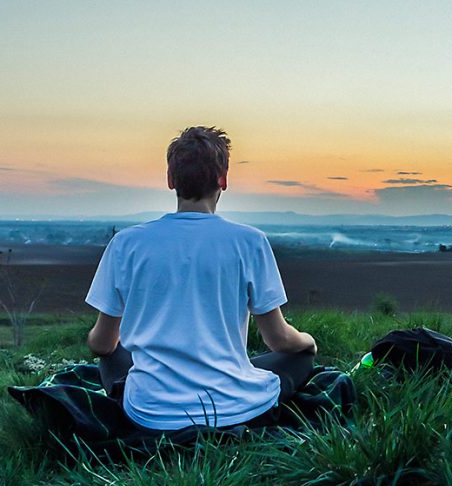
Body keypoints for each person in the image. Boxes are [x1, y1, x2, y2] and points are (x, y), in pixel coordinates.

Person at [84, 126, 317, 431]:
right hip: (233, 408)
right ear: (223, 179)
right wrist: (308, 342)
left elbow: (101, 344)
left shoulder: (126, 244)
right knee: (299, 358)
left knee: (113, 354)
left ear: (171, 180)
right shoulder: (250, 242)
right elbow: (279, 341)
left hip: (150, 412)